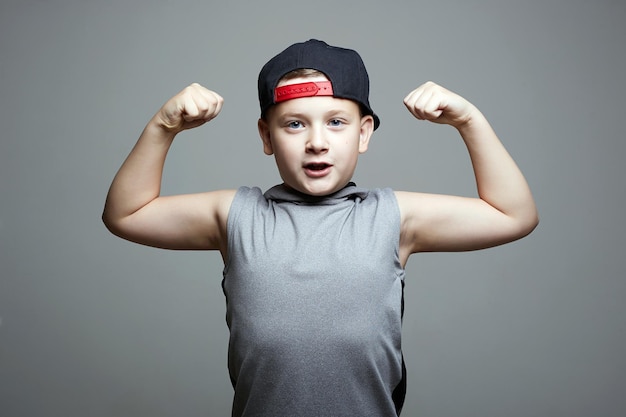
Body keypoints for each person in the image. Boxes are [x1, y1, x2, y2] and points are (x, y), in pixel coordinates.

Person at [102, 39, 538, 416]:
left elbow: (513, 214)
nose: (316, 141)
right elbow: (126, 213)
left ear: (364, 133)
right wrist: (163, 127)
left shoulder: (391, 218)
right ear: (266, 136)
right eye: (294, 124)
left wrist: (469, 120)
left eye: (336, 122)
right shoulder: (236, 216)